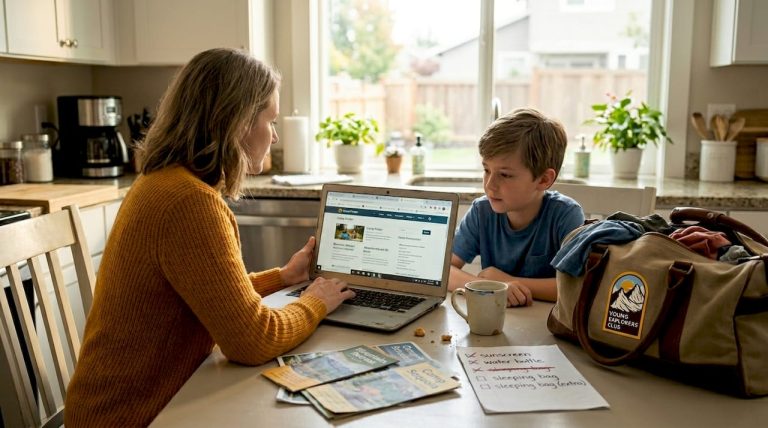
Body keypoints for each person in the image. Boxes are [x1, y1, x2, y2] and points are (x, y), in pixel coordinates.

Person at [65, 48, 355, 427]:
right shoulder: (189, 203)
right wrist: (315, 303)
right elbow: (251, 341)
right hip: (131, 418)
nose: (275, 135)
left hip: (126, 408)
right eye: (270, 121)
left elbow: (209, 293)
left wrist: (283, 278)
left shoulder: (163, 182)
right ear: (236, 122)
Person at [449, 108, 584, 307]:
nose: (489, 185)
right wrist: (487, 285)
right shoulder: (481, 212)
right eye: (486, 170)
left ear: (544, 180)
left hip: (544, 327)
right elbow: (443, 270)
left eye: (505, 175)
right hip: (497, 321)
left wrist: (503, 280)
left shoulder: (565, 215)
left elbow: (577, 287)